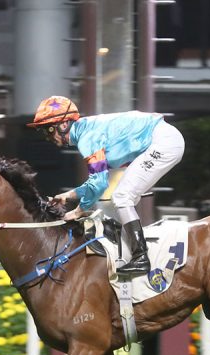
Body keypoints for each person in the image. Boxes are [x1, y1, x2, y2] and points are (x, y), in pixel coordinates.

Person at [27, 95, 185, 276]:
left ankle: (141, 257)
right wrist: (69, 195)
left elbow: (99, 183)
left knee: (122, 197)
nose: (48, 137)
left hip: (163, 142)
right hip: (164, 139)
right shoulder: (86, 131)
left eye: (48, 130)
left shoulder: (87, 138)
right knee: (123, 198)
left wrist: (79, 211)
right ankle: (131, 253)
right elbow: (98, 180)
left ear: (63, 125)